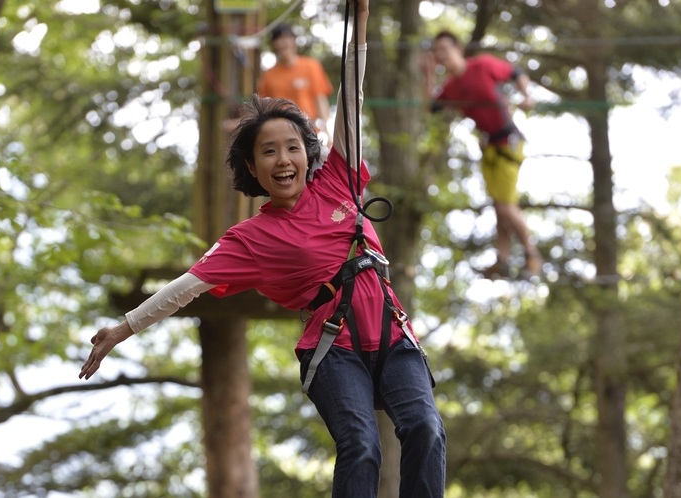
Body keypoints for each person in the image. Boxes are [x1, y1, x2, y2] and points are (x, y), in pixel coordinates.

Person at [80, 3, 446, 496]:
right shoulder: (250, 238)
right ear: (253, 169)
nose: (283, 159)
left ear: (308, 152)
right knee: (360, 443)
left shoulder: (337, 180)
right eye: (268, 151)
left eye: (292, 147)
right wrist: (123, 327)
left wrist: (358, 22)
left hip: (393, 335)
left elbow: (351, 98)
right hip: (334, 349)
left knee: (425, 427)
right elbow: (186, 287)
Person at [424, 30, 542, 279]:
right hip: (489, 147)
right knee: (499, 206)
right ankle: (504, 260)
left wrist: (526, 96)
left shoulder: (483, 65)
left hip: (508, 142)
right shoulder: (451, 87)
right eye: (437, 52)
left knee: (507, 206)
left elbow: (516, 73)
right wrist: (429, 73)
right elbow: (431, 106)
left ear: (459, 49)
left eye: (444, 49)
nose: (441, 55)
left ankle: (532, 256)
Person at [258, 23, 334, 146]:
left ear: (294, 41)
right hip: (280, 134)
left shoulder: (311, 66)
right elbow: (263, 107)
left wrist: (327, 132)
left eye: (287, 38)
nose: (283, 43)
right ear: (273, 45)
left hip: (310, 132)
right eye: (278, 39)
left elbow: (320, 99)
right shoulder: (268, 75)